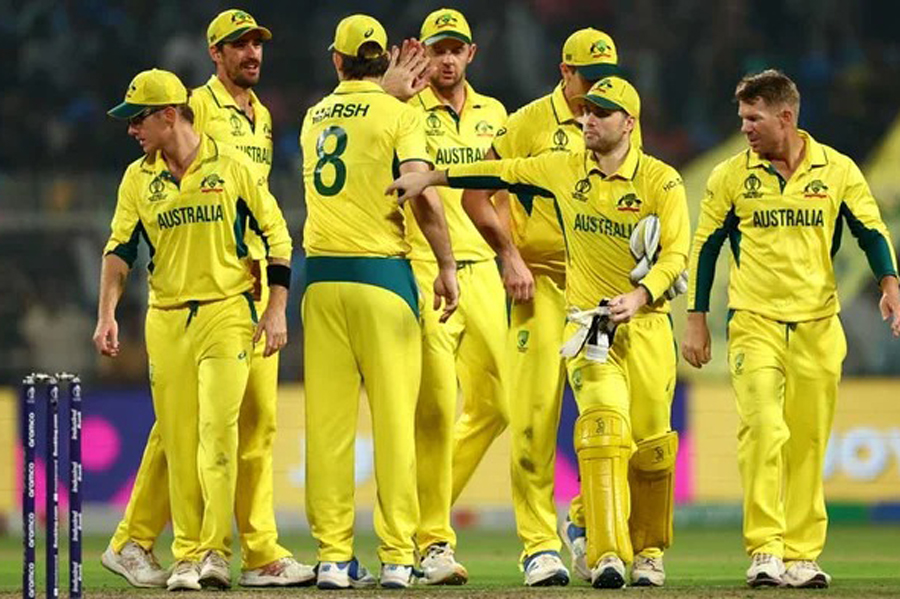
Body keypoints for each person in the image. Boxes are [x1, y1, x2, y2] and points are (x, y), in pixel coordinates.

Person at [389, 75, 689, 589]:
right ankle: (606, 553)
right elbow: (495, 169)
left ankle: (649, 550)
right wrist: (431, 178)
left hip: (648, 325)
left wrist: (641, 295)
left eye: (601, 113)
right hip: (589, 329)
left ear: (629, 124)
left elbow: (679, 256)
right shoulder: (562, 169)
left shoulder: (662, 182)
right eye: (586, 111)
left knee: (652, 448)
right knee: (601, 431)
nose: (587, 120)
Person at [99, 10, 315, 589]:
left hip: (242, 290)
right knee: (193, 430)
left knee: (254, 423)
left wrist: (270, 293)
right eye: (238, 45)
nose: (252, 53)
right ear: (214, 53)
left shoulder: (261, 114)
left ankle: (248, 549)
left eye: (256, 43)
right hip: (205, 289)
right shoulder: (195, 107)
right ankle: (183, 544)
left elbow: (257, 206)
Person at [681, 69, 900, 589]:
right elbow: (705, 247)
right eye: (741, 118)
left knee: (807, 441)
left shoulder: (838, 171)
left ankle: (802, 555)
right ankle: (764, 548)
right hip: (753, 323)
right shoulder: (730, 176)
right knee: (762, 429)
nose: (745, 128)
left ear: (786, 117)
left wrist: (890, 283)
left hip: (818, 326)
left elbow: (871, 230)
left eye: (754, 118)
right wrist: (696, 320)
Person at [462, 28, 638, 587]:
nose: (595, 95)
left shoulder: (617, 119)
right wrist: (509, 256)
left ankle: (585, 522)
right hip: (537, 287)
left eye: (604, 78)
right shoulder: (526, 124)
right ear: (564, 73)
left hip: (599, 296)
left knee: (608, 417)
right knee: (535, 418)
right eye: (586, 80)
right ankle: (540, 545)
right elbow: (474, 193)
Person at [300, 14, 458, 590]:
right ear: (384, 59)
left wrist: (381, 96)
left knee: (329, 430)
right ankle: (396, 557)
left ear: (336, 60)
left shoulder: (312, 116)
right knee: (395, 426)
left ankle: (335, 560)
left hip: (320, 281)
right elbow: (419, 191)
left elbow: (353, 131)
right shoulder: (403, 113)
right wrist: (444, 266)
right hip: (382, 277)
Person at [401, 8, 509, 586]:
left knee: (502, 405)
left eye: (456, 49)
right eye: (438, 49)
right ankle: (432, 541)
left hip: (487, 272)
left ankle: (428, 520)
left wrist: (511, 254)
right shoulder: (406, 110)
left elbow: (503, 191)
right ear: (425, 51)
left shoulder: (495, 114)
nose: (446, 59)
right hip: (426, 271)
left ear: (472, 54)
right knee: (438, 410)